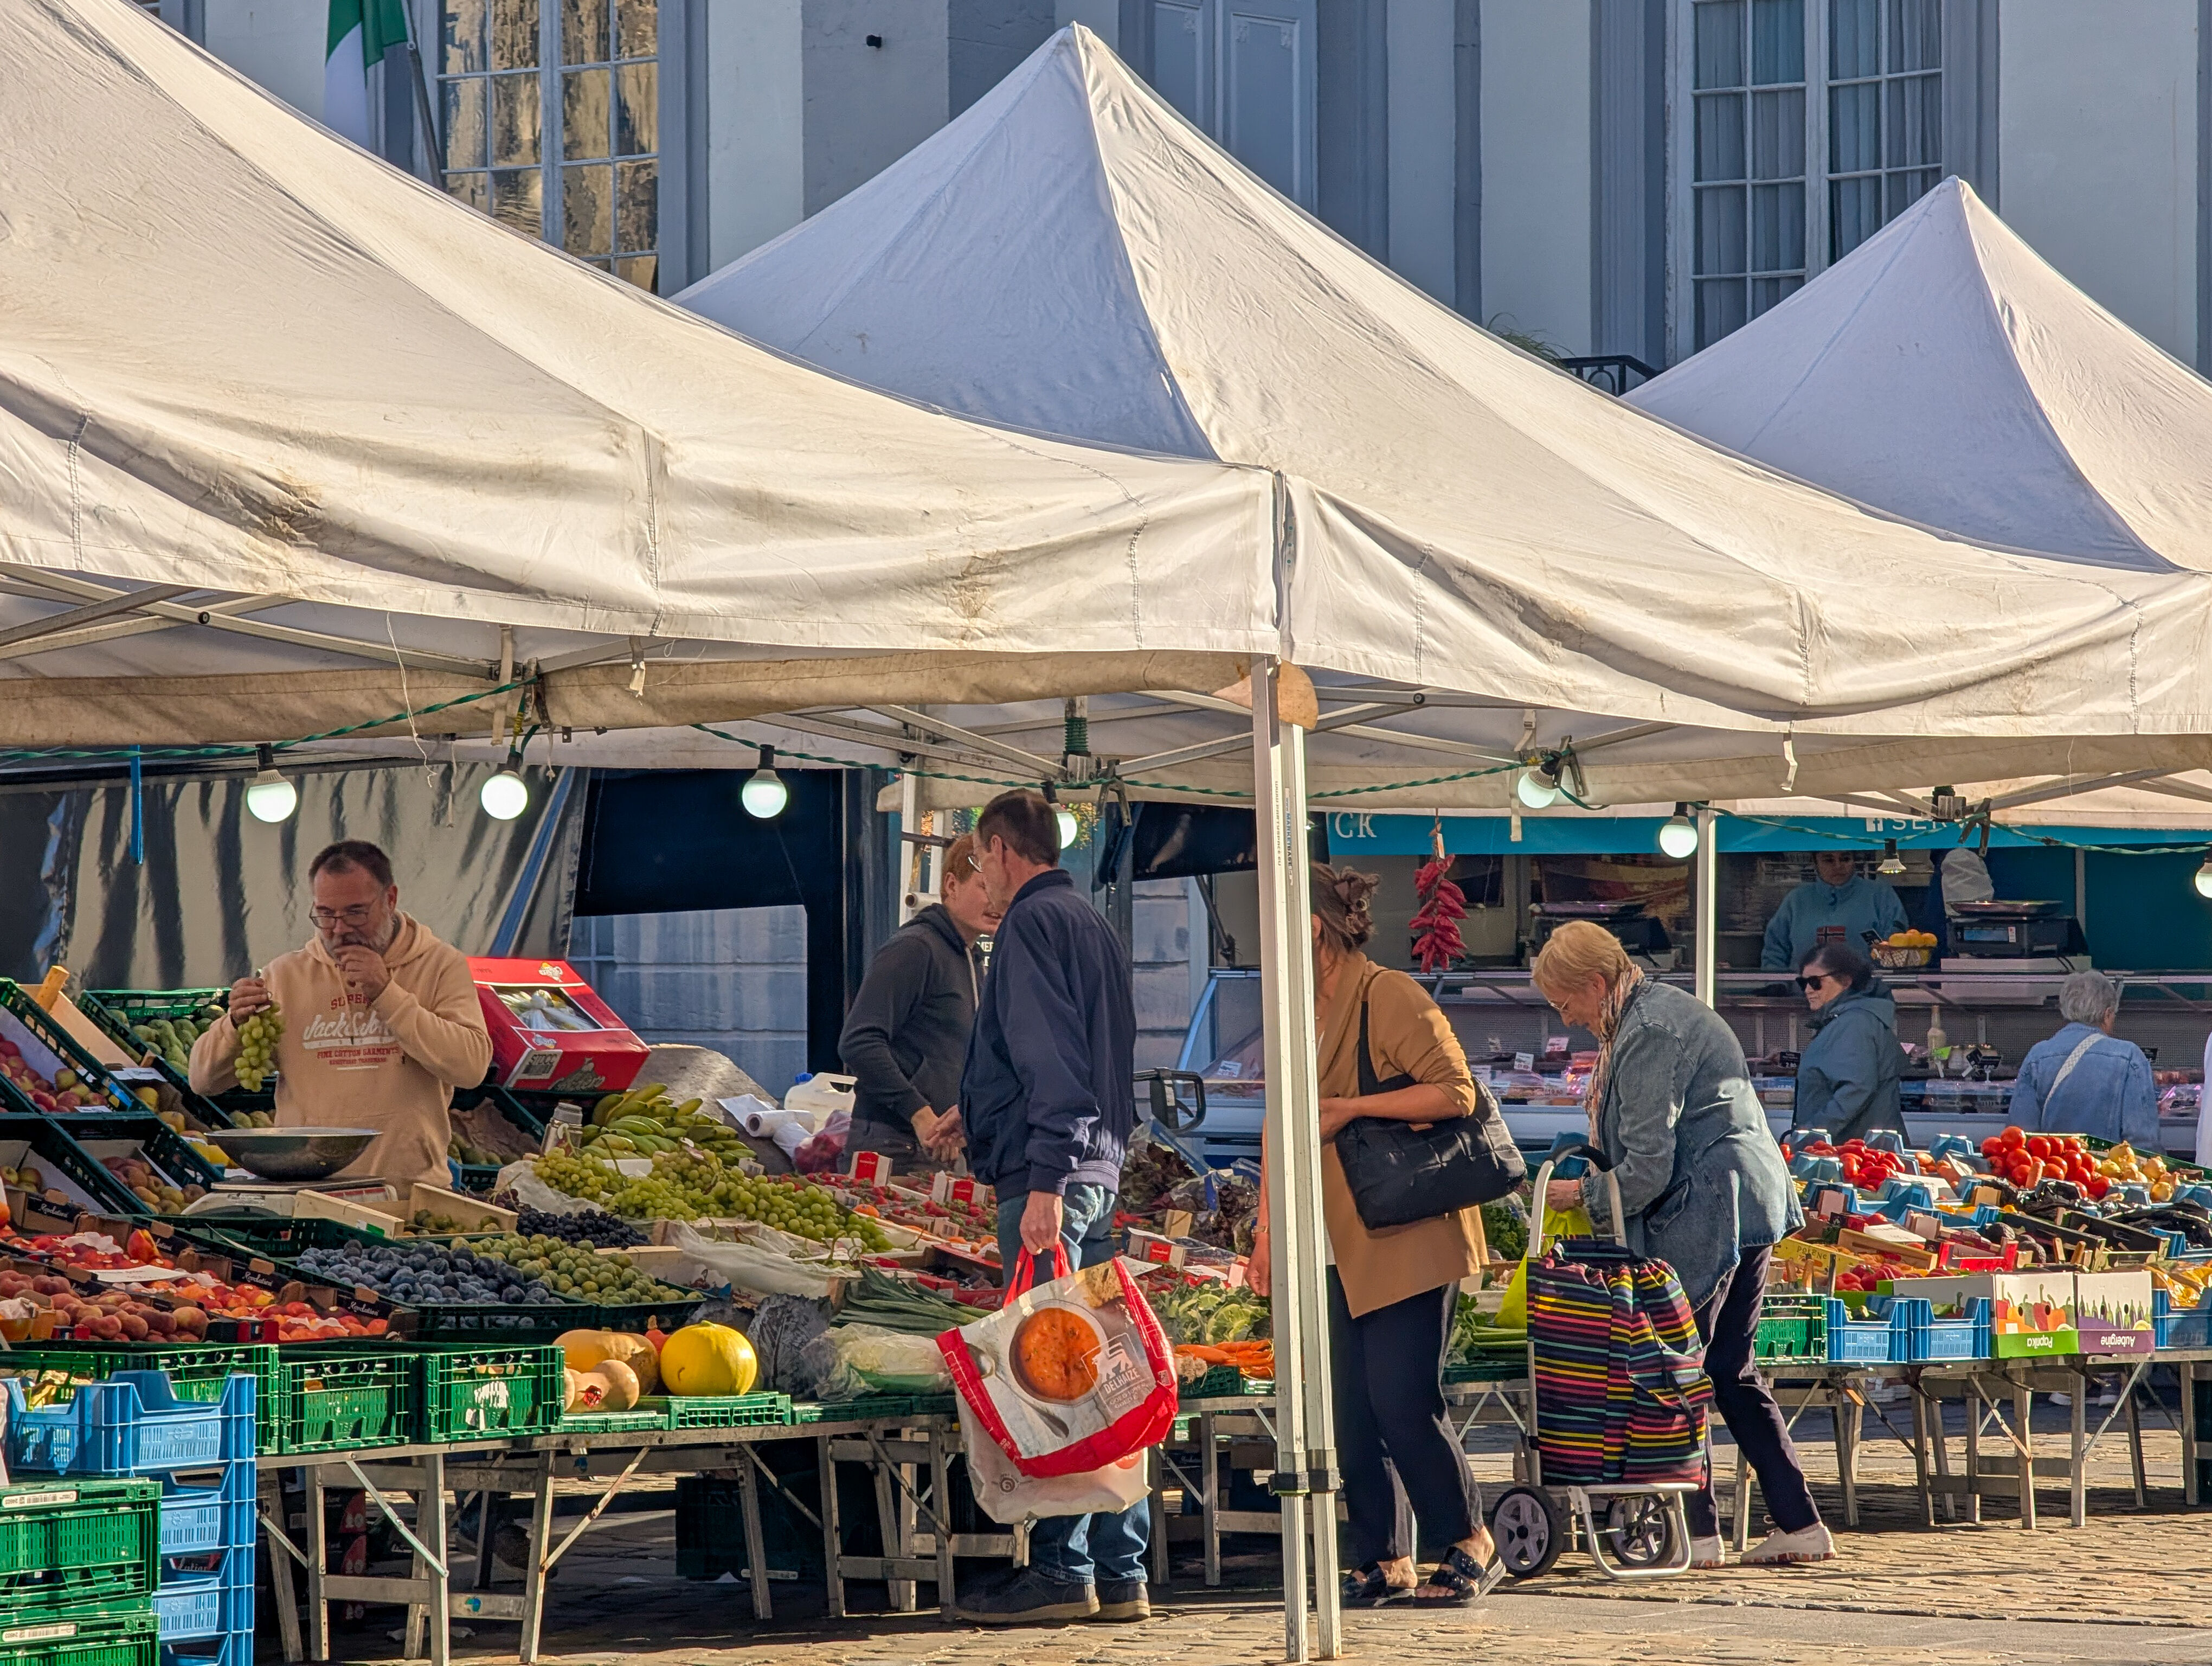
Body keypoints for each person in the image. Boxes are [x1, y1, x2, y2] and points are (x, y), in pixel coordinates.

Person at [1532, 920, 1830, 1567]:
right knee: (1729, 1370)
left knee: (1674, 1372)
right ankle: (1800, 1524)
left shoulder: (1648, 1032)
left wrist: (1581, 1196)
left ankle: (1696, 1533)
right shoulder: (1656, 1012)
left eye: (1566, 1002)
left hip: (1709, 1212)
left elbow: (1647, 1165)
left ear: (1596, 983)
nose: (1568, 1018)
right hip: (1747, 1202)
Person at [1247, 865, 1502, 1609]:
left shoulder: (1388, 994)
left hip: (1405, 1233)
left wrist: (1354, 1108)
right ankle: (1385, 1557)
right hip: (1331, 1240)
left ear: (1313, 931)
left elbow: (1456, 1091)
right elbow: (1276, 1122)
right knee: (1348, 1414)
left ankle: (1469, 1539)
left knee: (1401, 1401)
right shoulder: (1295, 1010)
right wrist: (1265, 1229)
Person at [951, 790, 1147, 1626]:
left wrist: (1045, 1181)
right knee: (1104, 1373)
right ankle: (1123, 1568)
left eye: (978, 860)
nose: (981, 878)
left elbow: (1050, 1058)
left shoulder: (1029, 926)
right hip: (1096, 1176)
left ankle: (1065, 1570)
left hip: (1055, 1184)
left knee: (1054, 1375)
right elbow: (1091, 1055)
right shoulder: (1090, 921)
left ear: (1002, 850)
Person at [189, 840, 492, 1187]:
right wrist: (234, 1023)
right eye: (326, 914)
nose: (339, 929)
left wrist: (387, 994)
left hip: (407, 1192)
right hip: (306, 1192)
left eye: (355, 913)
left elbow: (471, 1068)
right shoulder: (285, 975)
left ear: (390, 899)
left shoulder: (440, 965)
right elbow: (203, 1081)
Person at [838, 832, 999, 1170]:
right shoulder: (915, 948)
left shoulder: (973, 960)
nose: (996, 902)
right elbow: (858, 1042)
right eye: (985, 887)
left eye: (1002, 890)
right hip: (893, 1146)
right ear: (951, 885)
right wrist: (919, 1113)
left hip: (938, 1150)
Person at [2010, 971, 2157, 1148]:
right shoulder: (2129, 1057)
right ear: (2108, 1014)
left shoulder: (2037, 1056)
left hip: (2053, 1164)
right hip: (2105, 1165)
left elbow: (2020, 1137)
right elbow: (2142, 1141)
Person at [1791, 943, 1905, 1143]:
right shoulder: (1844, 1020)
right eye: (1803, 983)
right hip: (1854, 1149)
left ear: (1845, 981)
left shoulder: (1854, 1022)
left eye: (1815, 982)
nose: (1808, 990)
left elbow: (1855, 1089)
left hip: (1857, 1152)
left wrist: (1812, 1136)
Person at [1760, 850, 1908, 971]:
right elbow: (1775, 949)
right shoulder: (1796, 900)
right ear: (1816, 863)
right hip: (1805, 993)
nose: (1838, 866)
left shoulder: (1879, 894)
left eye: (1845, 859)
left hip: (1864, 994)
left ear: (1854, 861)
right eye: (1829, 860)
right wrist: (1776, 983)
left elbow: (1896, 946)